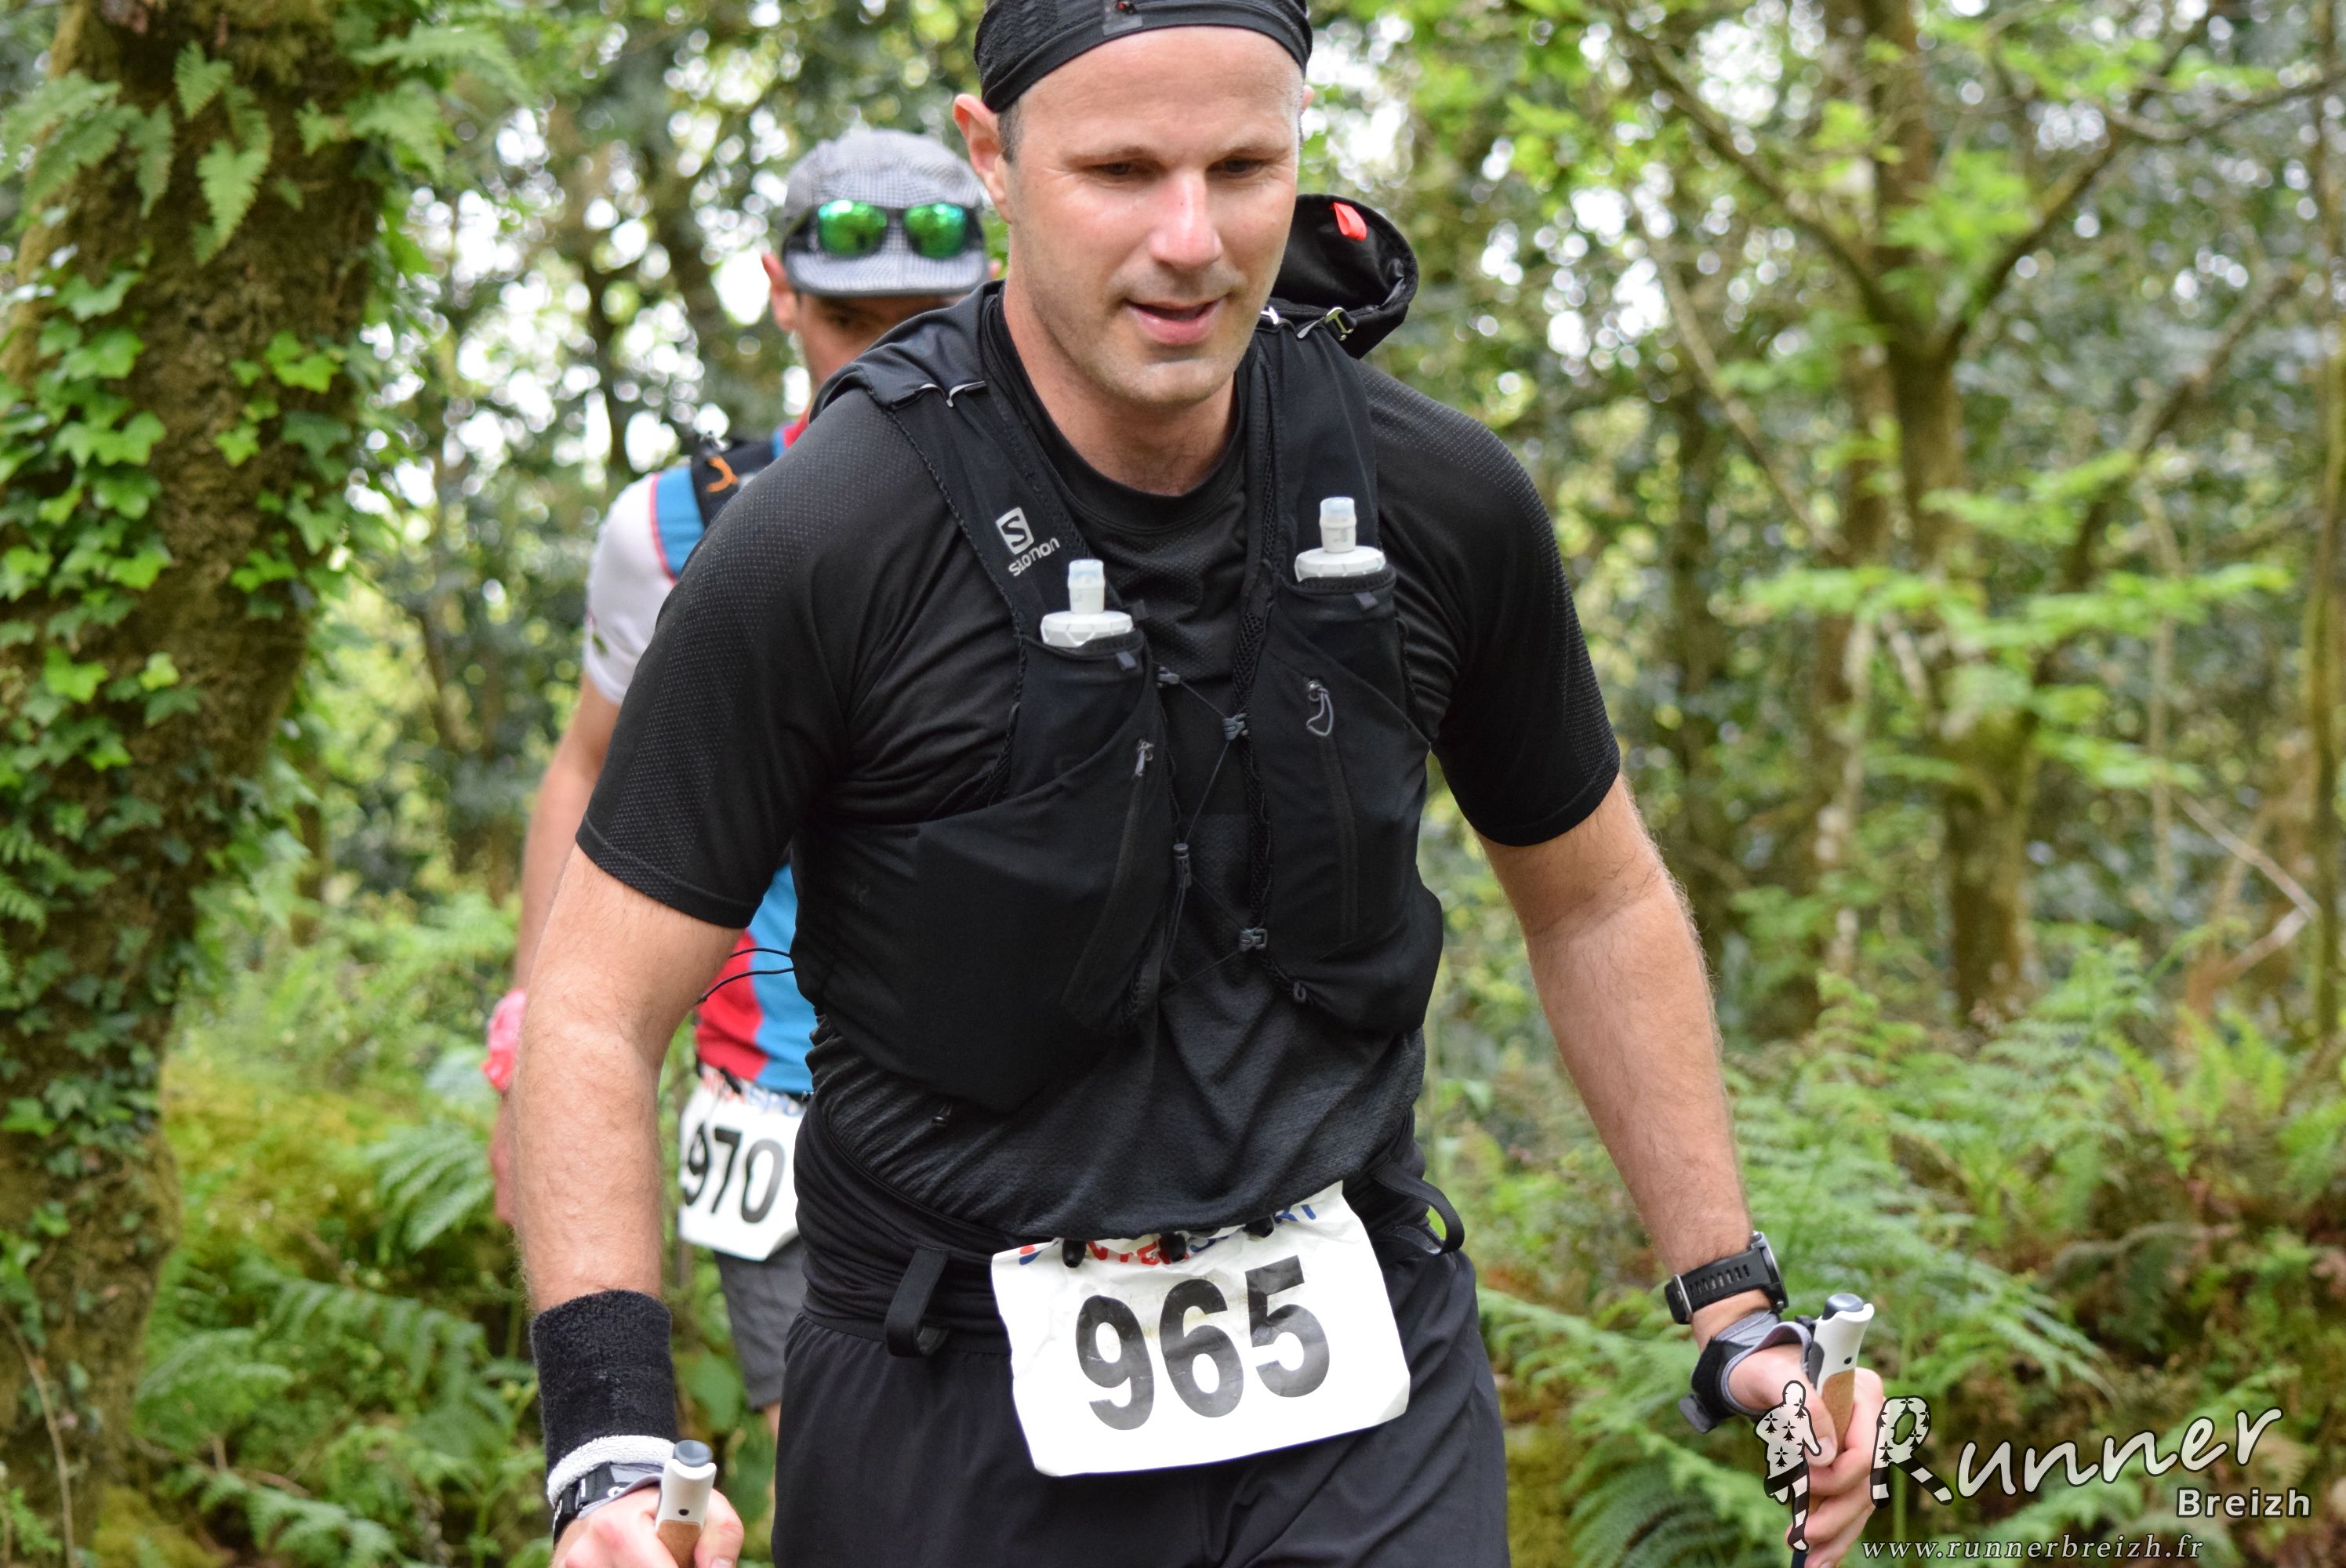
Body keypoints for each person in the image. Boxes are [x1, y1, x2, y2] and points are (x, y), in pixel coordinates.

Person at [513, 2, 1889, 1564]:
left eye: (1242, 169)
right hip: (942, 1379)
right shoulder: (822, 543)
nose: (1190, 241)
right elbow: (594, 1004)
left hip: (1360, 1365)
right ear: (993, 160)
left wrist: (1731, 1300)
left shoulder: (1437, 501)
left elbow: (1596, 900)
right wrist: (612, 1447)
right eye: (1119, 172)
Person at [484, 126, 987, 1448]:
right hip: (774, 1094)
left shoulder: (1113, 490)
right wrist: (530, 1055)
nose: (890, 355)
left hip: (1034, 1097)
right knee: (838, 1471)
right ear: (782, 293)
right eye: (852, 320)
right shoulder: (679, 527)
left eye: (928, 320)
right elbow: (587, 769)